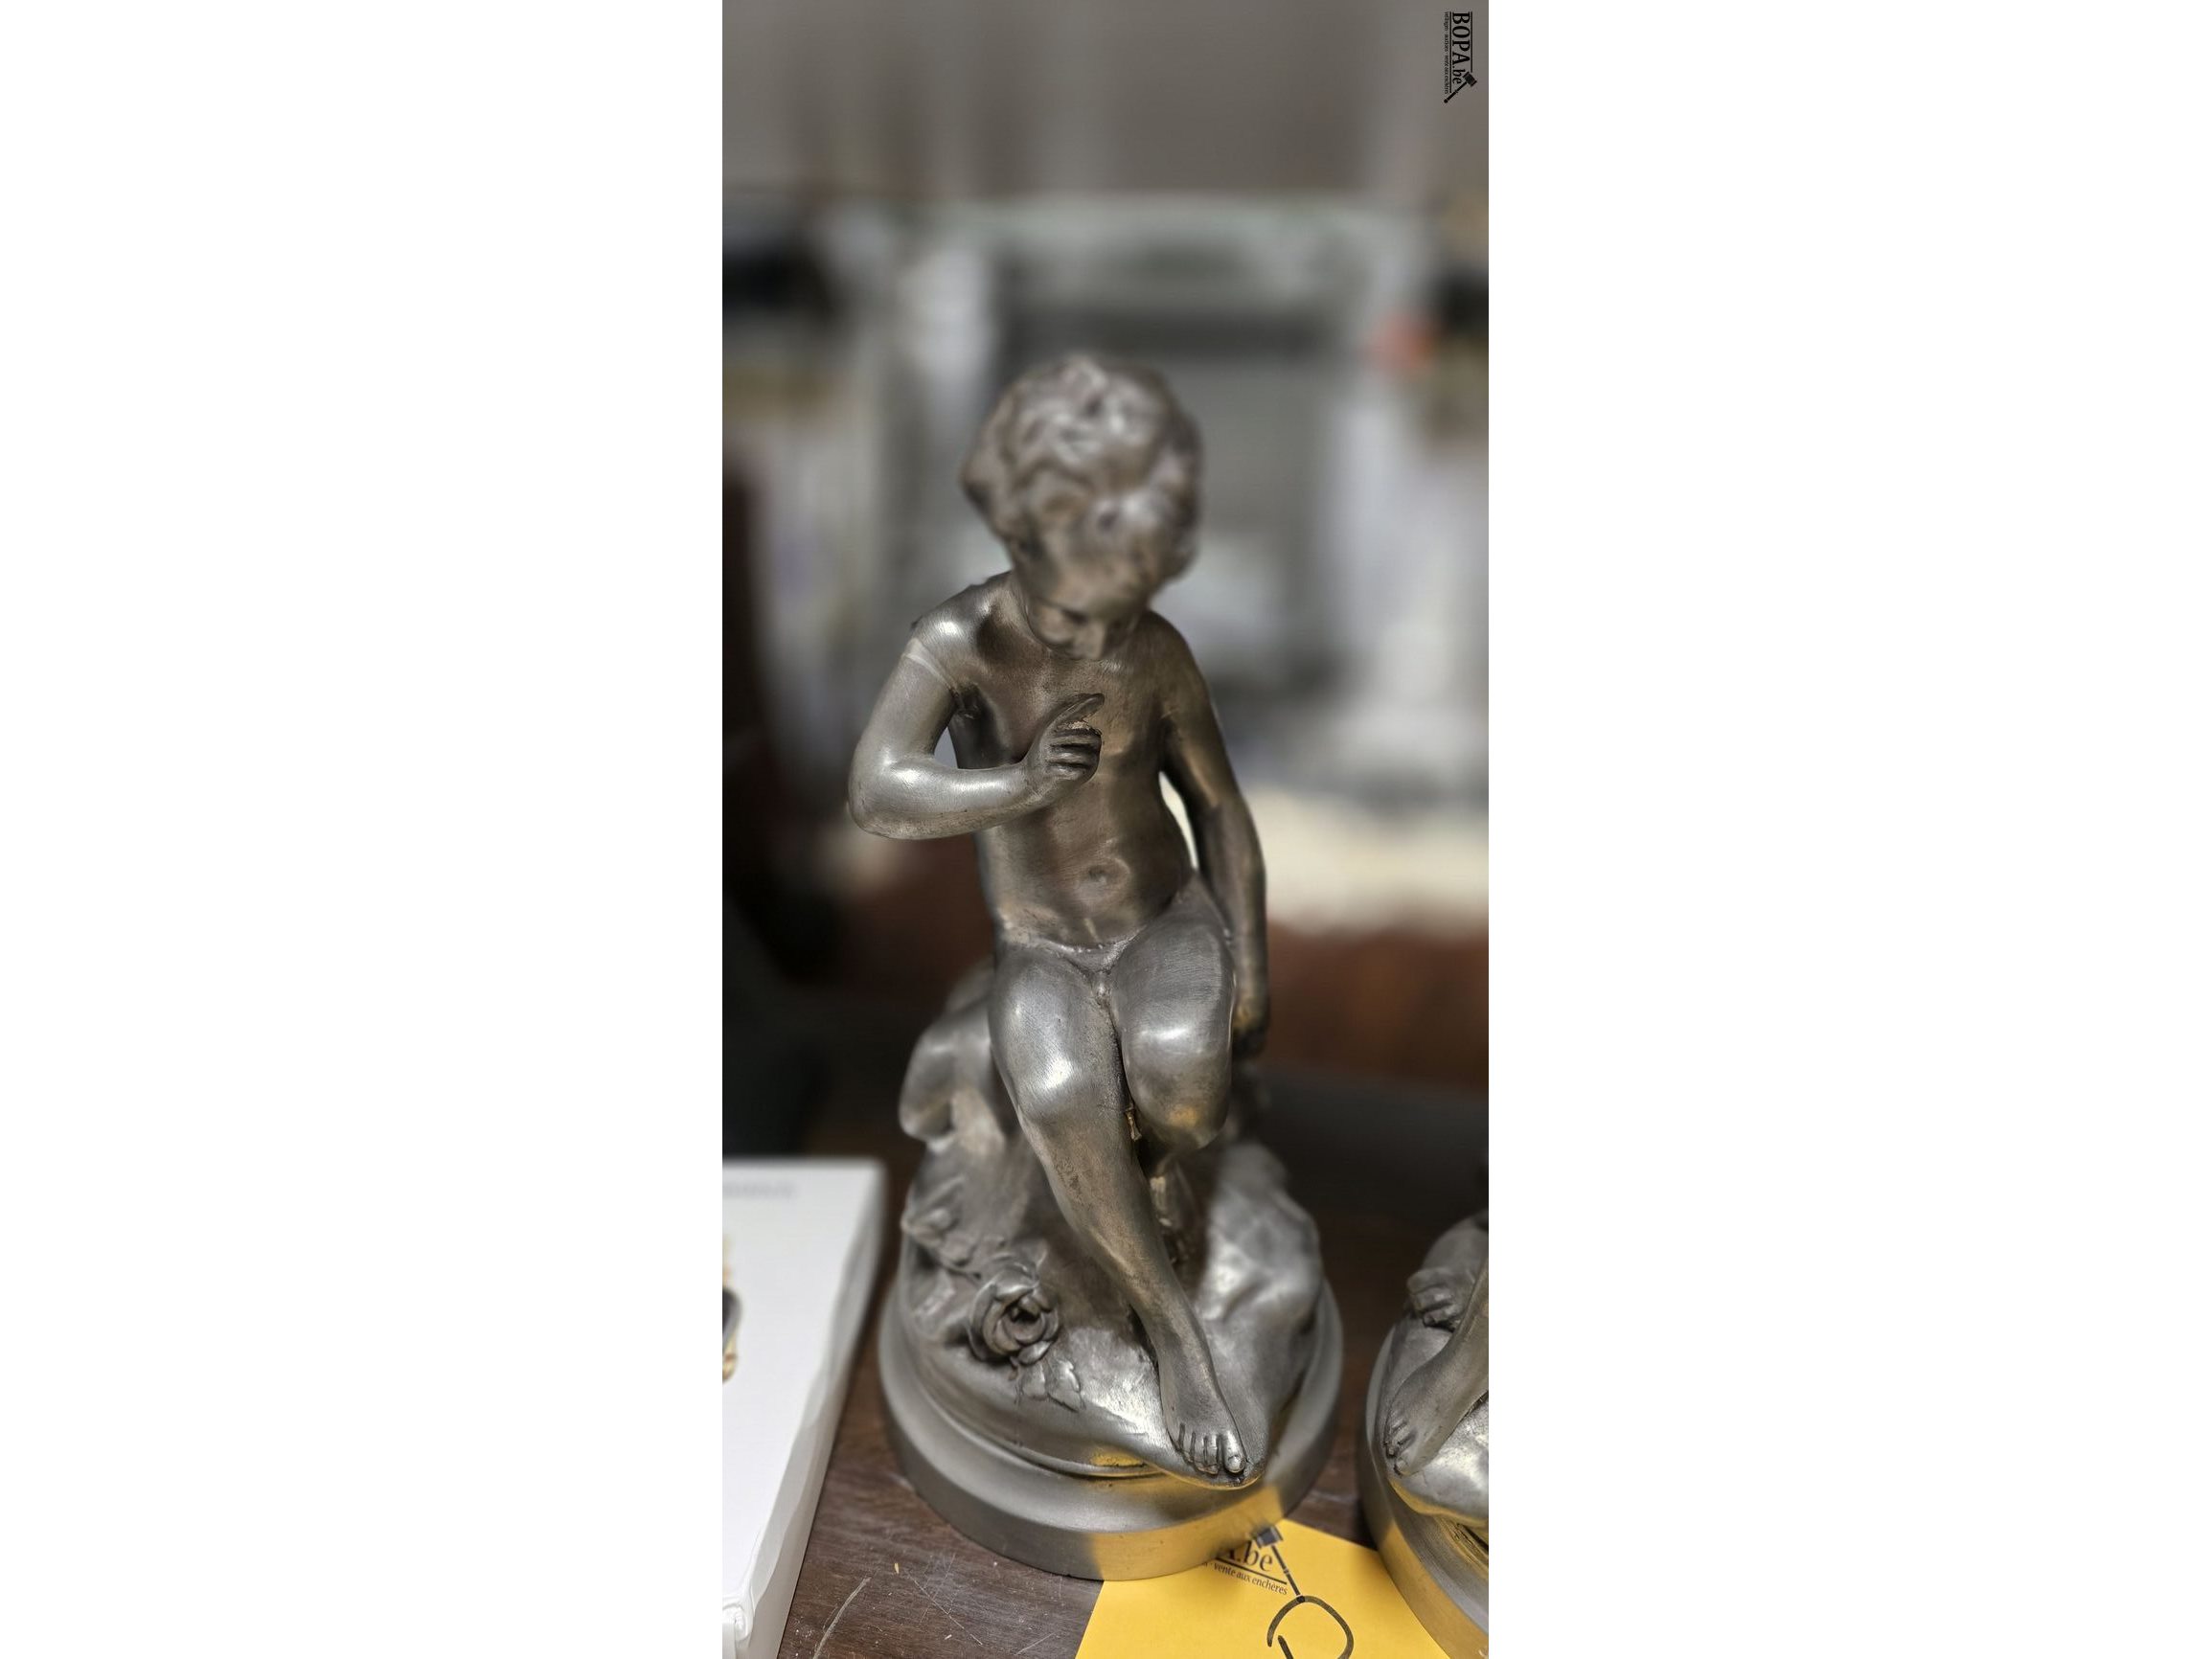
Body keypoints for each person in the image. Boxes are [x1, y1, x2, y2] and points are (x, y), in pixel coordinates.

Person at [849, 355, 1268, 1485]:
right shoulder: (960, 643)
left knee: (1183, 1088)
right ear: (1022, 538)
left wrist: (1251, 957)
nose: (1098, 636)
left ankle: (1155, 1170)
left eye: (1121, 605)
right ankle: (1173, 1333)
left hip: (1160, 921)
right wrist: (1017, 786)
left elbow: (1218, 807)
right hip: (1041, 944)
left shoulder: (1152, 650)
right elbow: (875, 788)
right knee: (1058, 1091)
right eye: (1079, 610)